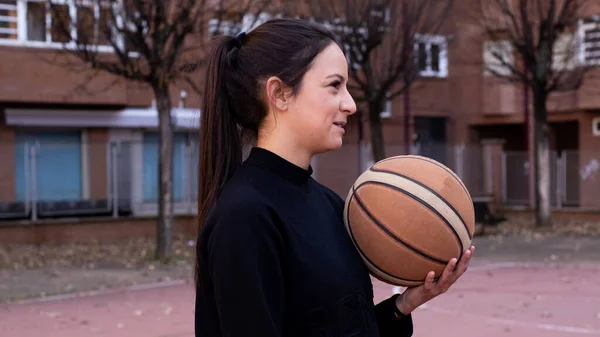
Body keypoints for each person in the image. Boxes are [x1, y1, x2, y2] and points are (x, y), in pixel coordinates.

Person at [195, 18, 474, 337]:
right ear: (280, 94)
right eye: (334, 85)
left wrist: (404, 304)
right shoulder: (245, 216)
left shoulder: (328, 203)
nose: (351, 104)